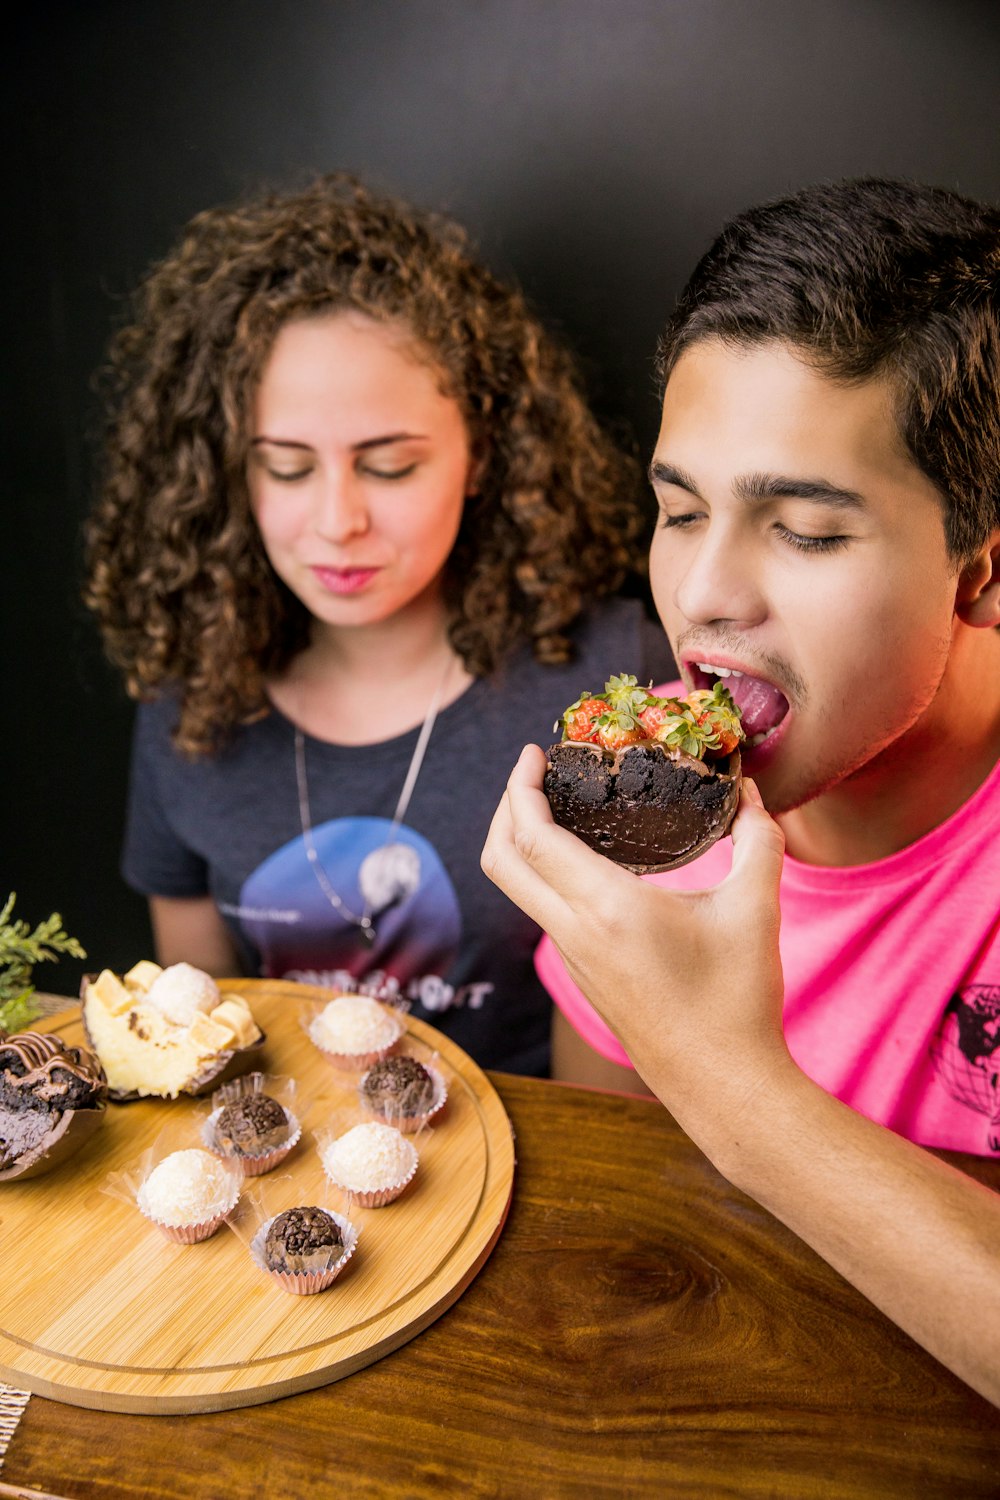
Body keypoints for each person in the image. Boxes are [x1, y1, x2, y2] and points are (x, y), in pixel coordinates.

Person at [482, 177, 1000, 1403]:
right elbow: (611, 1215)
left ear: (981, 572)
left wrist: (726, 1080)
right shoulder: (647, 822)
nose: (705, 593)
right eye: (676, 510)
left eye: (807, 532)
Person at [84, 173, 674, 1077]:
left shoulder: (610, 678)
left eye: (390, 467)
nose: (336, 521)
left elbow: (629, 1058)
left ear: (483, 452)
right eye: (285, 469)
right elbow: (186, 1035)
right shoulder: (191, 705)